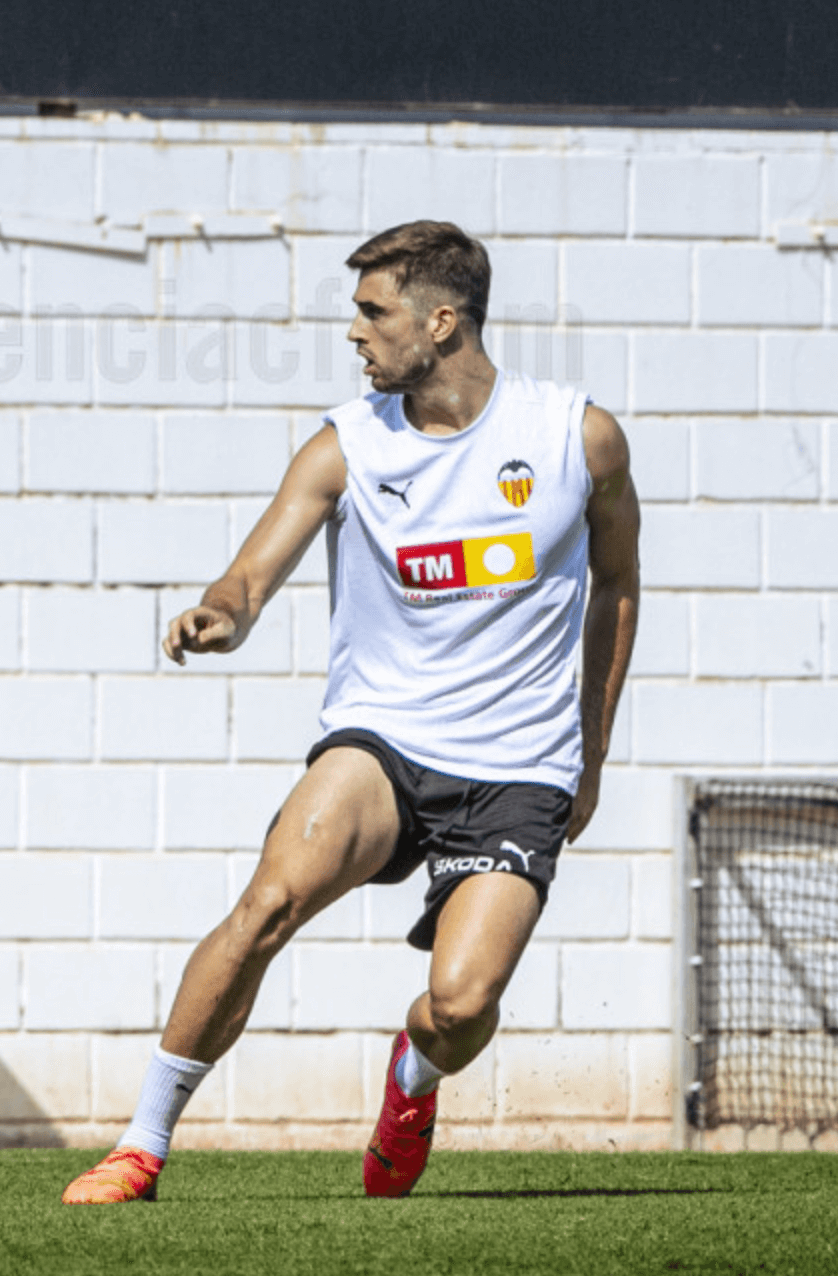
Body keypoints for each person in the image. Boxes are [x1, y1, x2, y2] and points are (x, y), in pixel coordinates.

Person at [61, 220, 641, 1204]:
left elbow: (617, 587)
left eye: (373, 312)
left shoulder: (576, 439)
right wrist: (220, 614)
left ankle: (412, 1081)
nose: (355, 333)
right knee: (271, 899)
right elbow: (249, 575)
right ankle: (140, 1146)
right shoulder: (345, 445)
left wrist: (590, 753)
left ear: (442, 321)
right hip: (384, 741)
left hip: (518, 769)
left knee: (459, 1004)